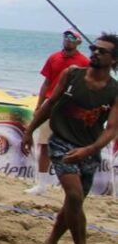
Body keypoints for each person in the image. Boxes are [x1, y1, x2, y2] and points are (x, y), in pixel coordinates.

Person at [21, 32, 118, 244]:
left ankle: (52, 241)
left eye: (102, 51)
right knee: (74, 196)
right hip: (61, 141)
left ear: (113, 60)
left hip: (88, 148)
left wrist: (89, 150)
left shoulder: (114, 91)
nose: (95, 52)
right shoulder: (72, 74)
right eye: (94, 48)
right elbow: (50, 103)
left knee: (73, 202)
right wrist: (29, 130)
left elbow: (112, 129)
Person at [27, 29, 90, 195]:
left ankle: (70, 185)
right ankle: (41, 185)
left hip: (69, 107)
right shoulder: (54, 57)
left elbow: (87, 87)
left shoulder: (84, 62)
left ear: (78, 42)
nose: (68, 40)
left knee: (70, 147)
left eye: (72, 38)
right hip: (50, 104)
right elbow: (46, 83)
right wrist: (39, 106)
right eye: (66, 37)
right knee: (44, 144)